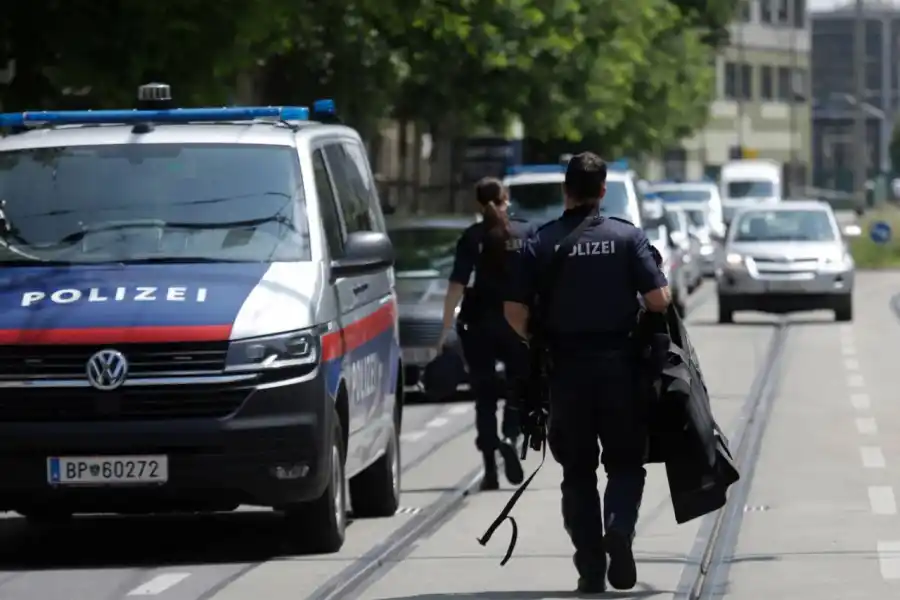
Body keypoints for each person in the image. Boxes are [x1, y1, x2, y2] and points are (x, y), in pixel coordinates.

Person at [503, 152, 671, 594]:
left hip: (566, 374)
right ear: (602, 191)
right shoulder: (626, 237)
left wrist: (537, 341)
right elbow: (658, 300)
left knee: (577, 474)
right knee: (625, 464)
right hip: (621, 372)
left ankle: (591, 569)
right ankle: (618, 526)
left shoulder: (540, 243)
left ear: (566, 190)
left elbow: (513, 309)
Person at [437, 176, 532, 491]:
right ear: (507, 198)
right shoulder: (526, 232)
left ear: (478, 203)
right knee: (520, 388)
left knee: (484, 398)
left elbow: (456, 286)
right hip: (517, 325)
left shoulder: (472, 237)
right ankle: (512, 434)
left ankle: (491, 469)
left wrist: (446, 328)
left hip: (478, 326)